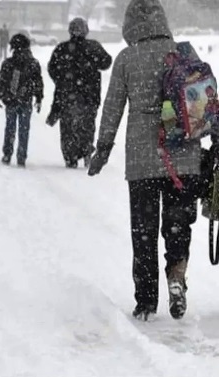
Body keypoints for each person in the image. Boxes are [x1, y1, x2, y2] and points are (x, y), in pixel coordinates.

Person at [87, 0, 201, 321]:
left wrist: (103, 149)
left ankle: (146, 301)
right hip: (184, 157)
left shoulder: (126, 58)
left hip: (142, 160)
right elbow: (203, 101)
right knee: (178, 226)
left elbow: (112, 109)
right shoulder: (184, 53)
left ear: (130, 25)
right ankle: (177, 276)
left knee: (144, 230)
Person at [47, 18, 112, 168]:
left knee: (68, 127)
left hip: (67, 95)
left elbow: (52, 68)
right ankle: (86, 150)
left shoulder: (62, 49)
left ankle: (70, 156)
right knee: (87, 125)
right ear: (86, 31)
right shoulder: (93, 47)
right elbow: (106, 62)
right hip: (89, 96)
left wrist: (62, 80)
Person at [0, 34, 43, 168]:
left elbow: (2, 82)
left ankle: (7, 153)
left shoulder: (8, 63)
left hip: (11, 100)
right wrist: (39, 97)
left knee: (10, 127)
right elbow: (38, 82)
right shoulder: (33, 63)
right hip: (26, 100)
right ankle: (21, 156)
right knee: (24, 129)